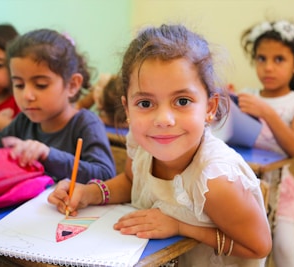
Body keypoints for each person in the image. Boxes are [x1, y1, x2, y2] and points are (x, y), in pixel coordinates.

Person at [48, 24, 272, 266]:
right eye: (145, 103)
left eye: (182, 101)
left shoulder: (214, 180)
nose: (163, 120)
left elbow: (258, 246)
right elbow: (133, 181)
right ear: (127, 109)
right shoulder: (142, 142)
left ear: (209, 108)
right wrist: (88, 193)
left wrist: (179, 226)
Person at [0, 29, 116, 185]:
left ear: (73, 85)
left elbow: (106, 175)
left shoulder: (86, 123)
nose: (26, 95)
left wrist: (48, 155)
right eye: (18, 85)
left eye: (41, 85)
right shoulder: (24, 121)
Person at [239, 19, 294, 267]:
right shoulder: (247, 96)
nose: (268, 67)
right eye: (262, 58)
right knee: (245, 246)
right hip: (246, 182)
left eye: (279, 59)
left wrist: (267, 112)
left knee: (285, 247)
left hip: (281, 189)